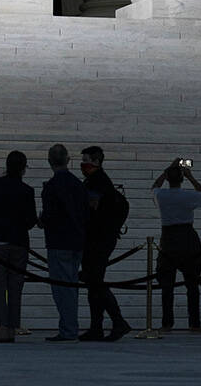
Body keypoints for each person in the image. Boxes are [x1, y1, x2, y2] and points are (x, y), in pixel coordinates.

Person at [0, 150, 36, 343]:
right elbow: (30, 220)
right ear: (23, 168)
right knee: (16, 287)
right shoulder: (27, 190)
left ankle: (1, 327)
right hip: (18, 242)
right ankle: (12, 327)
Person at [78, 146, 131, 341]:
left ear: (96, 162)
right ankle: (97, 326)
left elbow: (91, 210)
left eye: (86, 161)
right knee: (94, 283)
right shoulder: (97, 180)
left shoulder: (97, 182)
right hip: (100, 237)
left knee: (95, 281)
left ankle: (118, 322)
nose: (82, 164)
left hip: (98, 239)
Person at [39, 143, 88, 343]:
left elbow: (49, 215)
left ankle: (68, 329)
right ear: (68, 160)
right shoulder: (78, 184)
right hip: (77, 240)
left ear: (50, 161)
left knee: (62, 288)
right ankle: (69, 327)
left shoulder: (51, 186)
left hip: (58, 241)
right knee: (71, 286)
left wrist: (42, 221)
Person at [152, 158, 201, 331]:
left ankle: (167, 323)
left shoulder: (162, 195)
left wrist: (166, 169)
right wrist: (190, 176)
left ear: (168, 178)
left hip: (169, 238)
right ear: (182, 178)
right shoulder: (189, 195)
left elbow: (154, 186)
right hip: (188, 236)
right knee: (192, 286)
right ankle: (195, 323)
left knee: (167, 286)